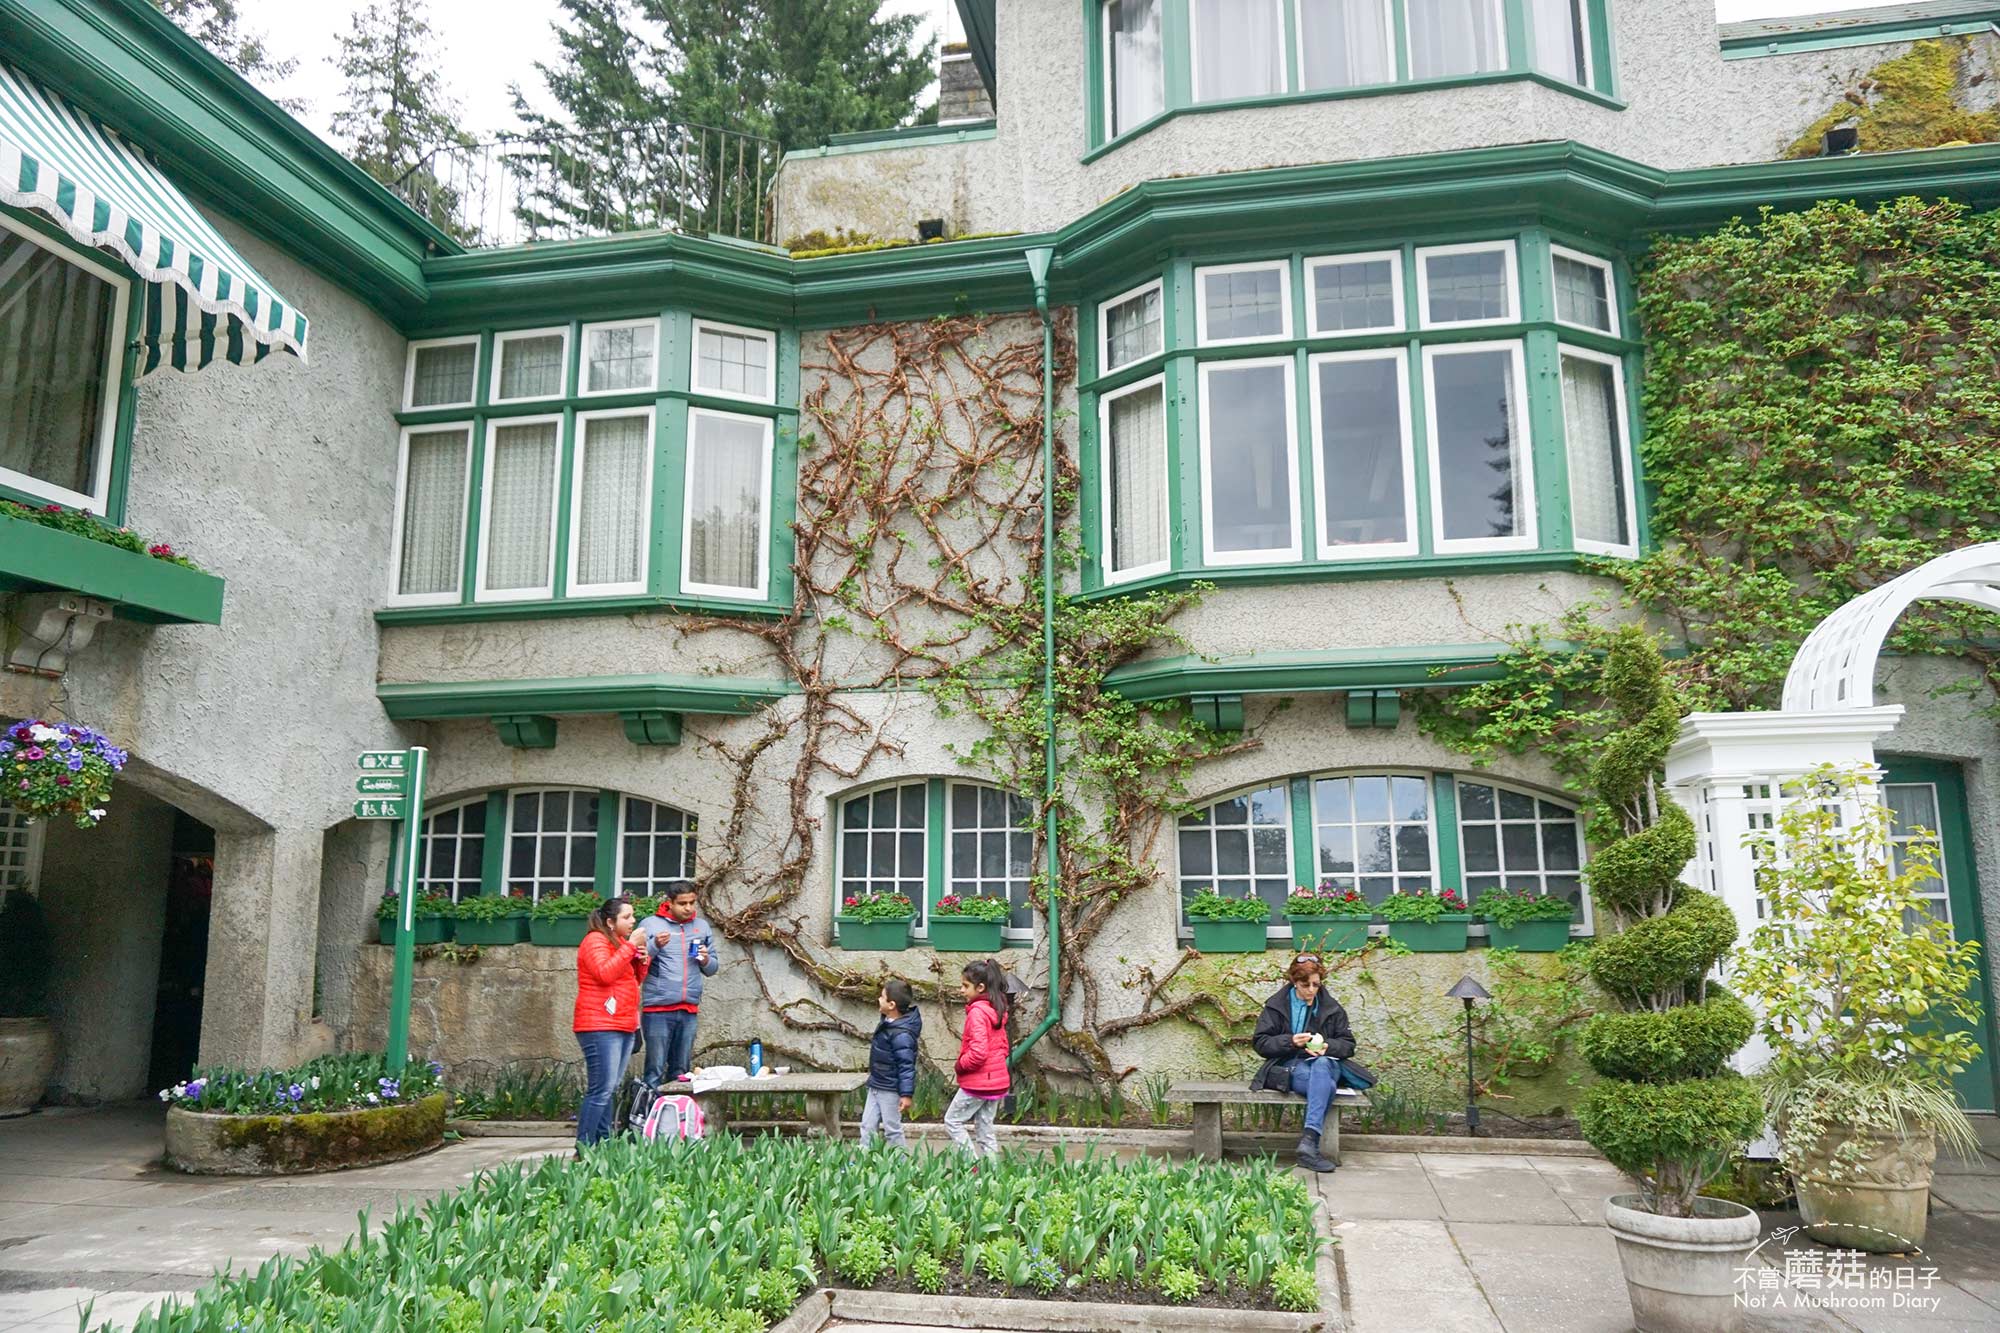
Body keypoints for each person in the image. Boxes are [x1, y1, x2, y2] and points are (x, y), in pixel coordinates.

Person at [1249, 953, 1356, 1174]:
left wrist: (1327, 1046)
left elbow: (1348, 1045)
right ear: (1294, 981)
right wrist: (1289, 1041)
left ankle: (1309, 1141)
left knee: (1322, 1065)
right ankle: (1309, 1146)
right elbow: (1261, 1043)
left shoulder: (1331, 1007)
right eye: (1304, 984)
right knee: (1325, 1085)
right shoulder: (1276, 1006)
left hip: (1327, 1064)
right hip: (1291, 1067)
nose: (1311, 990)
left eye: (1316, 984)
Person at [572, 895, 650, 1150]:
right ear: (609, 921)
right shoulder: (594, 940)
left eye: (633, 916)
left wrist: (641, 959)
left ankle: (604, 1144)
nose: (633, 920)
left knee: (610, 1088)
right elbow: (604, 974)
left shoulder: (619, 942)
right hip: (599, 1025)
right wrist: (630, 948)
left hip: (622, 1023)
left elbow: (631, 980)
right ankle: (583, 1148)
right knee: (601, 1089)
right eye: (626, 917)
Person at [635, 882, 719, 1087]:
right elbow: (637, 962)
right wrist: (654, 945)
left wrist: (705, 960)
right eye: (682, 903)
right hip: (657, 1009)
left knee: (681, 1071)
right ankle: (649, 1116)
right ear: (669, 903)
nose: (688, 908)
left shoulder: (701, 927)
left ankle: (677, 1116)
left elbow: (712, 969)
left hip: (688, 1008)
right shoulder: (650, 924)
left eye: (692, 902)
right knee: (654, 1068)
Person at [945, 958, 1010, 1158]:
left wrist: (960, 1066)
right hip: (997, 1083)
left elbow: (979, 1053)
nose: (961, 990)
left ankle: (971, 1165)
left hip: (978, 1083)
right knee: (985, 1128)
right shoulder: (996, 1011)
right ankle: (992, 1173)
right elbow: (1004, 1048)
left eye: (965, 986)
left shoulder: (977, 1013)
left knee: (953, 1121)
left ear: (980, 987)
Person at [861, 978, 922, 1149]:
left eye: (882, 997)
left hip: (890, 1089)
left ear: (892, 1004)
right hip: (876, 1084)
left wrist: (906, 1094)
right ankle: (862, 1163)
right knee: (867, 1126)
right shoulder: (888, 1023)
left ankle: (902, 1165)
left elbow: (906, 1066)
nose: (879, 1000)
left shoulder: (901, 1034)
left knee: (892, 1129)